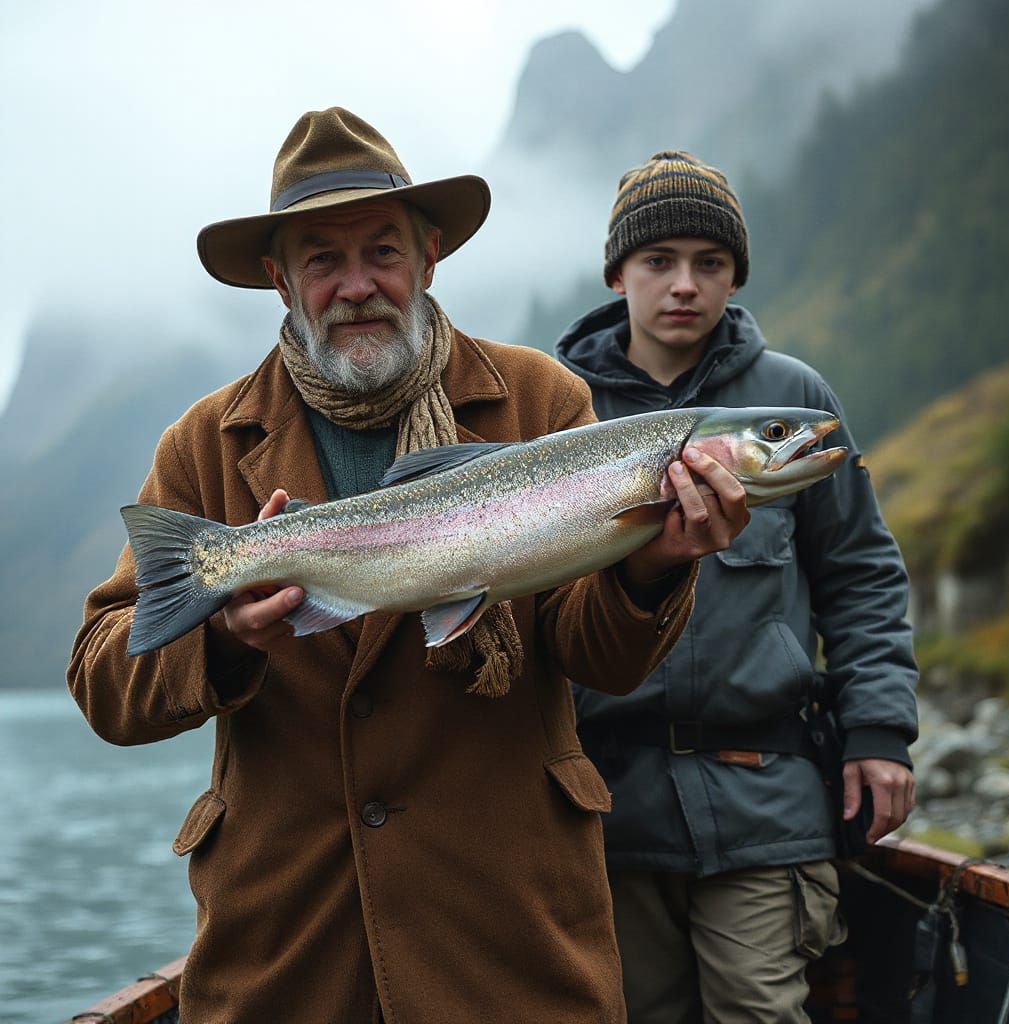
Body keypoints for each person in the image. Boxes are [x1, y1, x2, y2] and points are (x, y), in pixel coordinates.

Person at [67, 111, 751, 1023]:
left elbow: (599, 656)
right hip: (288, 955)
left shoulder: (541, 400)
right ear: (279, 281)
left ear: (429, 259)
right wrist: (224, 638)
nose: (357, 286)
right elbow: (104, 681)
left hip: (506, 947)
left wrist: (655, 564)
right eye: (322, 260)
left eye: (383, 252)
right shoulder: (205, 442)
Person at [555, 150, 919, 1023]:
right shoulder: (558, 405)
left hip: (768, 798)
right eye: (659, 261)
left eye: (709, 264)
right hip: (608, 806)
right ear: (618, 272)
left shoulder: (793, 406)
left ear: (735, 276)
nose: (685, 285)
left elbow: (862, 575)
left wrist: (879, 731)